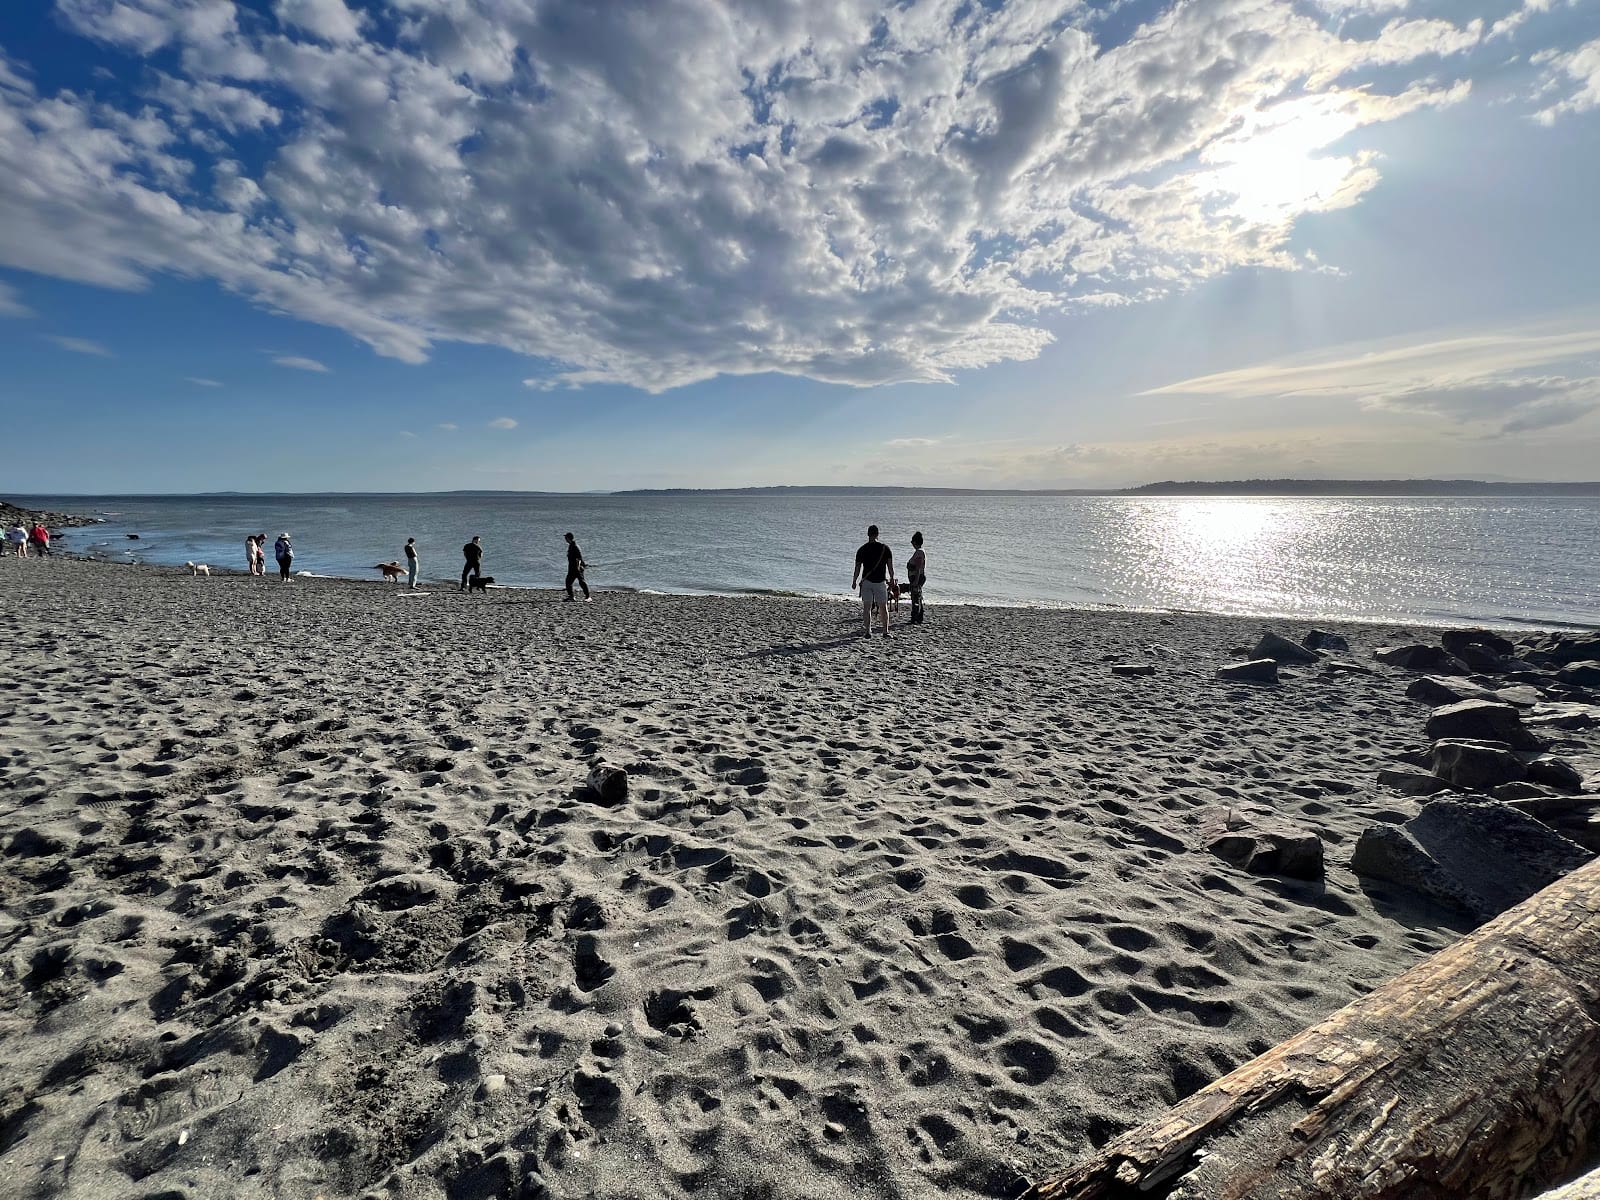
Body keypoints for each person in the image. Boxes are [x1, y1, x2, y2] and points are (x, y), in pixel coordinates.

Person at [851, 524, 895, 638]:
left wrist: (854, 581)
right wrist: (892, 579)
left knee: (867, 607)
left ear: (868, 534)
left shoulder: (862, 549)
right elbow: (890, 567)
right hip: (880, 582)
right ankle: (885, 632)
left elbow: (857, 568)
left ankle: (868, 631)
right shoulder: (885, 549)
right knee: (883, 607)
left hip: (867, 582)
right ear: (877, 534)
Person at [906, 530, 927, 625]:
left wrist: (916, 580)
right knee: (917, 596)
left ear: (915, 542)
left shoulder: (919, 553)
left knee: (915, 597)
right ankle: (918, 616)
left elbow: (918, 568)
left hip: (917, 577)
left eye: (912, 542)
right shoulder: (919, 552)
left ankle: (915, 617)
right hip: (917, 577)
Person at [563, 532, 590, 601]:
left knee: (582, 582)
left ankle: (588, 597)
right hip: (571, 568)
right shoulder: (571, 545)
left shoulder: (575, 546)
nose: (565, 539)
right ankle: (571, 597)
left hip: (577, 568)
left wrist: (582, 565)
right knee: (568, 582)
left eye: (565, 538)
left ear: (568, 538)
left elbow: (579, 557)